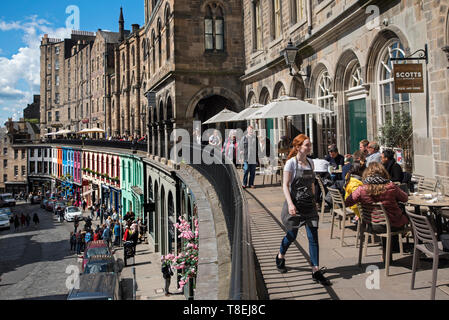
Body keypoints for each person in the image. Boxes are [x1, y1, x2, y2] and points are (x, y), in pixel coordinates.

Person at [276, 134, 331, 285]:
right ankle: (280, 255)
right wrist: (291, 204)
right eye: (307, 145)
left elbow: (312, 183)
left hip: (309, 205)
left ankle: (316, 270)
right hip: (295, 205)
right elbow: (285, 185)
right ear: (298, 147)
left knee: (313, 237)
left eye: (309, 144)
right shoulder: (291, 164)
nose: (309, 147)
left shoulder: (311, 162)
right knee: (292, 235)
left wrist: (314, 200)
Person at [345, 162, 409, 260]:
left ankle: (387, 255)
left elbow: (348, 202)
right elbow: (405, 198)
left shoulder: (361, 189)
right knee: (409, 217)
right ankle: (419, 250)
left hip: (371, 225)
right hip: (393, 225)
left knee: (385, 221)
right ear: (383, 173)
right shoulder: (391, 187)